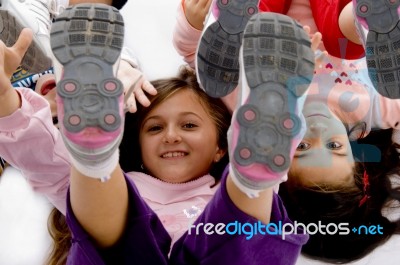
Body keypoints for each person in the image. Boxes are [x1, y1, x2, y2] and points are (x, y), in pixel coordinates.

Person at [0, 4, 316, 264]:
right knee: (96, 199)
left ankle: (256, 167)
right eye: (155, 128)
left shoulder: (221, 194)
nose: (171, 135)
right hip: (119, 215)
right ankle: (94, 153)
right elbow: (46, 158)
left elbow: (38, 159)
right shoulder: (124, 188)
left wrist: (3, 101)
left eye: (189, 125)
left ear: (222, 147)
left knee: (241, 232)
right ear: (136, 143)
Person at [174, 0, 400, 99]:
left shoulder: (244, 99)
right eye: (334, 146)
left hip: (258, 36)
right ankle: (372, 15)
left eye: (301, 146)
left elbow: (191, 52)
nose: (315, 130)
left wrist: (192, 22)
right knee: (344, 40)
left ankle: (232, 20)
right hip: (342, 32)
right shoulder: (360, 104)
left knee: (255, 26)